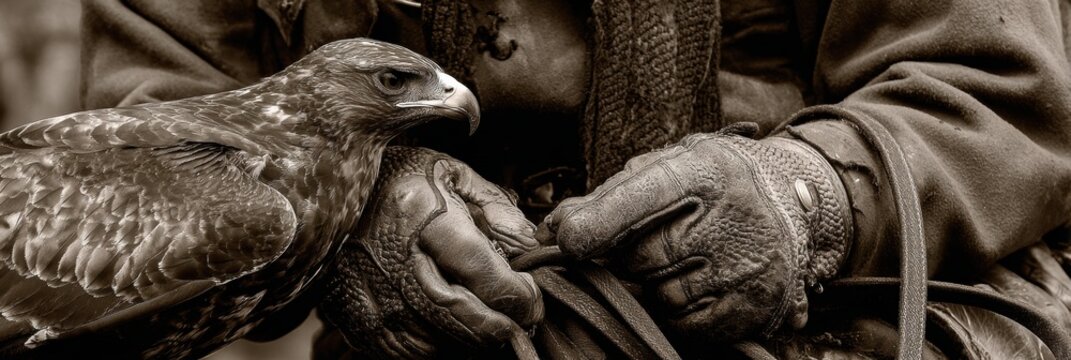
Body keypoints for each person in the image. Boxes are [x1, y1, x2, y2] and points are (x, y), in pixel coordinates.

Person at [80, 0, 1071, 358]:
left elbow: (1000, 92)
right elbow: (151, 126)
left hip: (849, 324)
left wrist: (806, 196)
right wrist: (352, 206)